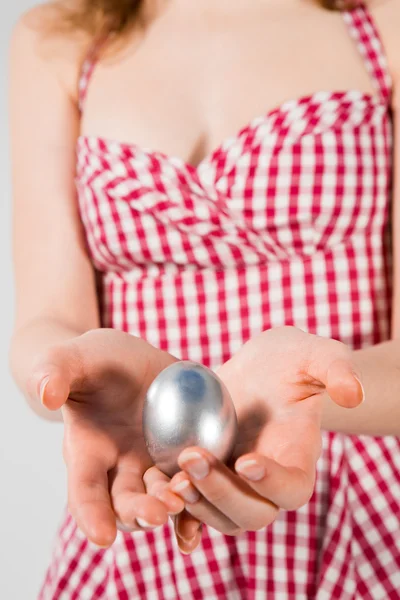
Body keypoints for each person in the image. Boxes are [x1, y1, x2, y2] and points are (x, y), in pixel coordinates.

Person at [9, 0, 400, 597]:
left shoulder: (382, 21)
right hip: (146, 502)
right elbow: (49, 319)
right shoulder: (59, 40)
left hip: (363, 512)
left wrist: (311, 393)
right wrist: (65, 371)